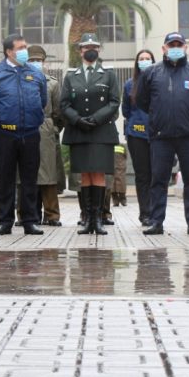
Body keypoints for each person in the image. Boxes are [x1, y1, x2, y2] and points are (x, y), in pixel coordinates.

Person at [137, 32, 189, 235]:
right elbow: (143, 102)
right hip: (161, 136)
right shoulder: (151, 73)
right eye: (172, 45)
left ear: (186, 47)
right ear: (164, 48)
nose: (175, 48)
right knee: (158, 180)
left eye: (179, 44)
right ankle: (156, 221)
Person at [0, 33, 47, 236]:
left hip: (30, 133)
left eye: (25, 46)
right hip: (5, 134)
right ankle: (5, 221)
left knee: (29, 180)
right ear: (8, 51)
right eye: (20, 48)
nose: (25, 51)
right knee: (5, 178)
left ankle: (30, 221)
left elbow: (42, 100)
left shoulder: (36, 74)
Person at [60, 33, 119, 236]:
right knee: (85, 174)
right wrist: (77, 119)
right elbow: (64, 104)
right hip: (79, 130)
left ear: (99, 50)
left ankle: (99, 219)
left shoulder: (109, 75)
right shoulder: (70, 76)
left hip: (101, 130)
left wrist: (95, 119)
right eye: (86, 47)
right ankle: (86, 218)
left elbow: (114, 102)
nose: (90, 50)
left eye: (94, 46)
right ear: (80, 51)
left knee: (99, 174)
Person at [27, 45, 64, 226]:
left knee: (48, 174)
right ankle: (29, 214)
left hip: (46, 128)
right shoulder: (22, 80)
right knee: (28, 174)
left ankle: (51, 214)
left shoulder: (53, 83)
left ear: (44, 62)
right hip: (26, 128)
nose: (35, 64)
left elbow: (59, 112)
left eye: (38, 61)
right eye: (32, 60)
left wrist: (54, 129)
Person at [122, 49, 154, 226]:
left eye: (148, 59)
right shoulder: (129, 84)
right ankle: (145, 213)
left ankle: (157, 211)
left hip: (157, 134)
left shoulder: (159, 80)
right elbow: (125, 110)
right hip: (136, 134)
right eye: (141, 59)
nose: (144, 61)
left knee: (156, 175)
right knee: (142, 175)